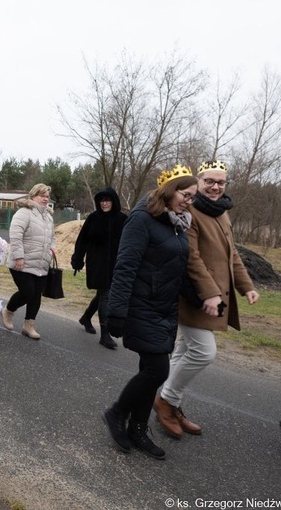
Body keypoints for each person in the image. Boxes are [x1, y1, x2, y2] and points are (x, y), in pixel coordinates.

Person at [154, 160, 260, 439]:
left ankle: (169, 403)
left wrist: (246, 285)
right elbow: (192, 259)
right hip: (195, 295)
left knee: (182, 351)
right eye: (209, 181)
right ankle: (165, 400)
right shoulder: (191, 211)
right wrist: (210, 293)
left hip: (214, 295)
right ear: (198, 182)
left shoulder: (222, 213)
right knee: (203, 352)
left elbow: (231, 255)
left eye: (220, 182)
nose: (215, 187)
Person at [102, 165, 198, 460]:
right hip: (140, 304)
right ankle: (116, 413)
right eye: (185, 193)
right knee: (158, 370)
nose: (189, 201)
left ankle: (139, 428)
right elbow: (125, 266)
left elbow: (176, 268)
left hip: (164, 308)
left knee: (151, 371)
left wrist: (198, 296)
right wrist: (115, 312)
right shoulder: (142, 220)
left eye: (193, 197)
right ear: (170, 190)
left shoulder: (177, 224)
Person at [71, 187, 127, 349]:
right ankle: (105, 333)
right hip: (97, 262)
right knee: (106, 294)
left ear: (114, 201)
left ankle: (86, 317)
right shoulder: (93, 218)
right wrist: (77, 259)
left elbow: (130, 243)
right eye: (102, 200)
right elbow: (82, 240)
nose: (104, 203)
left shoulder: (123, 219)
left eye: (107, 200)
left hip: (116, 263)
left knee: (103, 293)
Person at [2, 183, 56, 340]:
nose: (46, 199)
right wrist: (19, 256)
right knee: (27, 292)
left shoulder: (48, 217)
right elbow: (15, 235)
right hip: (22, 262)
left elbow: (53, 237)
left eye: (47, 196)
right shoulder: (24, 212)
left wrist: (52, 250)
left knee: (36, 295)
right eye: (42, 195)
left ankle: (29, 325)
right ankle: (8, 311)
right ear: (33, 196)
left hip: (41, 263)